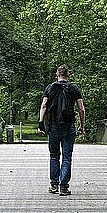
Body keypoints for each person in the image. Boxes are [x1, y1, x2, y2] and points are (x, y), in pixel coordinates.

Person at [37, 64, 85, 196]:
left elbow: (44, 105)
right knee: (67, 156)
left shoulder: (50, 88)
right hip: (69, 126)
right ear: (68, 75)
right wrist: (82, 125)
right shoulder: (74, 88)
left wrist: (41, 123)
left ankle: (53, 185)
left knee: (54, 156)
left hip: (54, 126)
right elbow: (81, 109)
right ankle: (63, 187)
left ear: (57, 74)